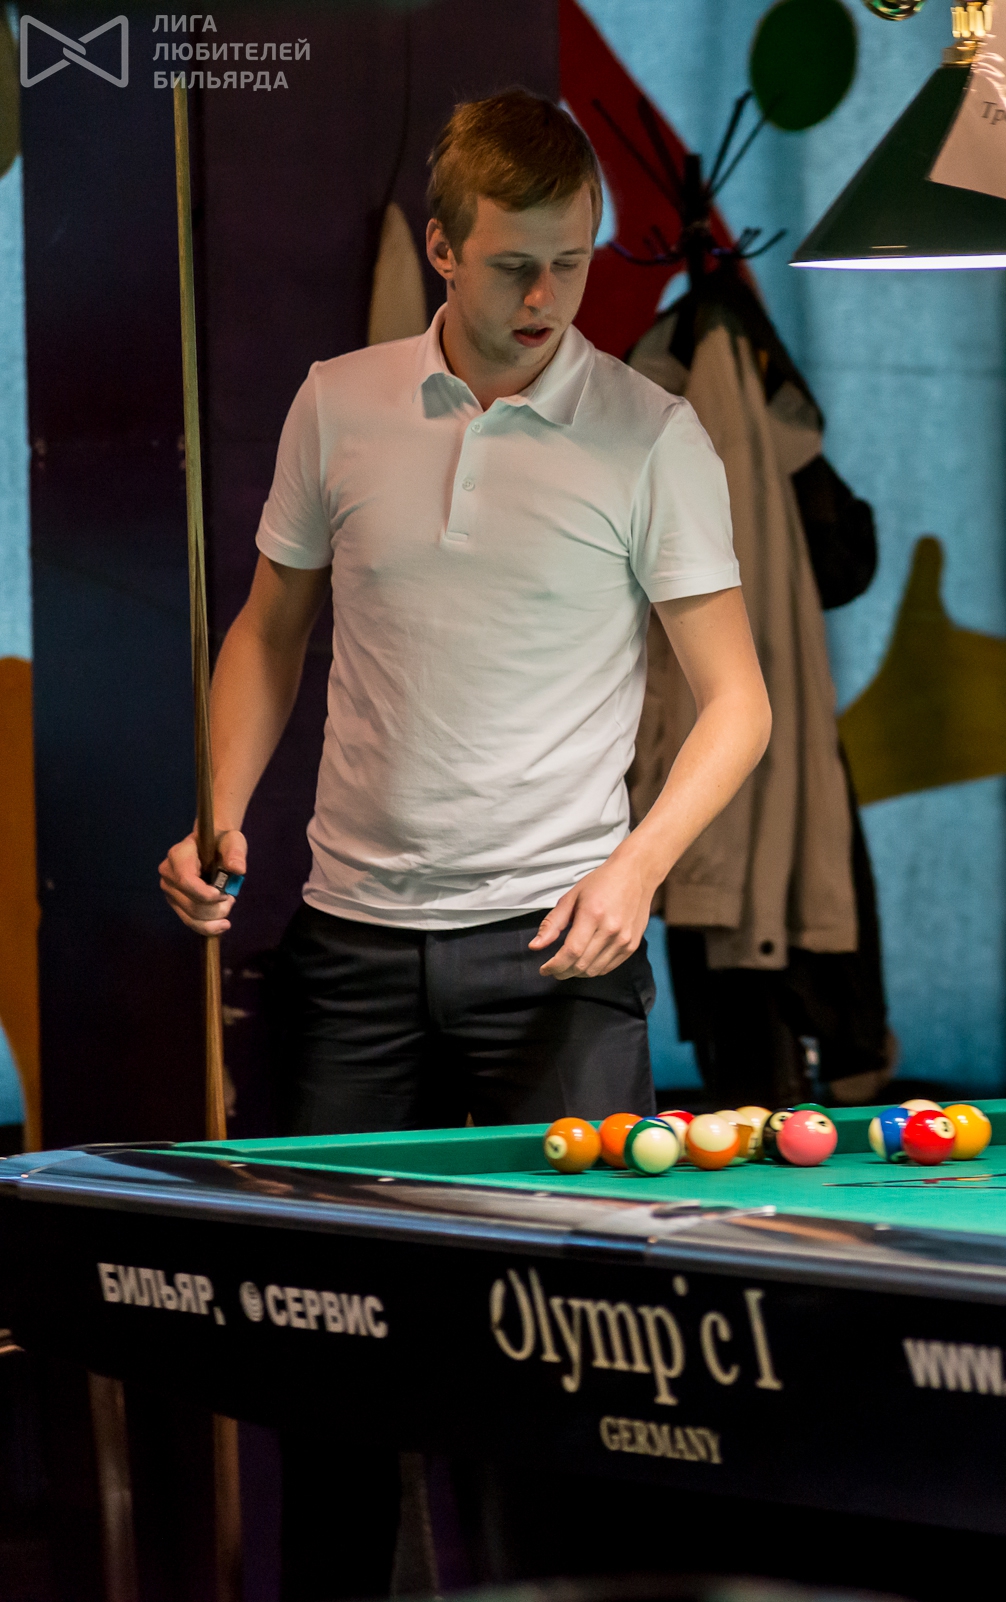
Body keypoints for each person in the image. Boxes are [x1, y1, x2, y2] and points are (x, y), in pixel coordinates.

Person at [152, 91, 770, 1598]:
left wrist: (637, 868)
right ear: (442, 248)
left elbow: (739, 702)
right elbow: (271, 628)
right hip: (351, 952)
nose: (550, 298)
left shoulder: (654, 436)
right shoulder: (338, 402)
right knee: (329, 1367)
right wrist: (220, 802)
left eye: (573, 262)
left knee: (583, 1373)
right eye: (515, 266)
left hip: (558, 957)